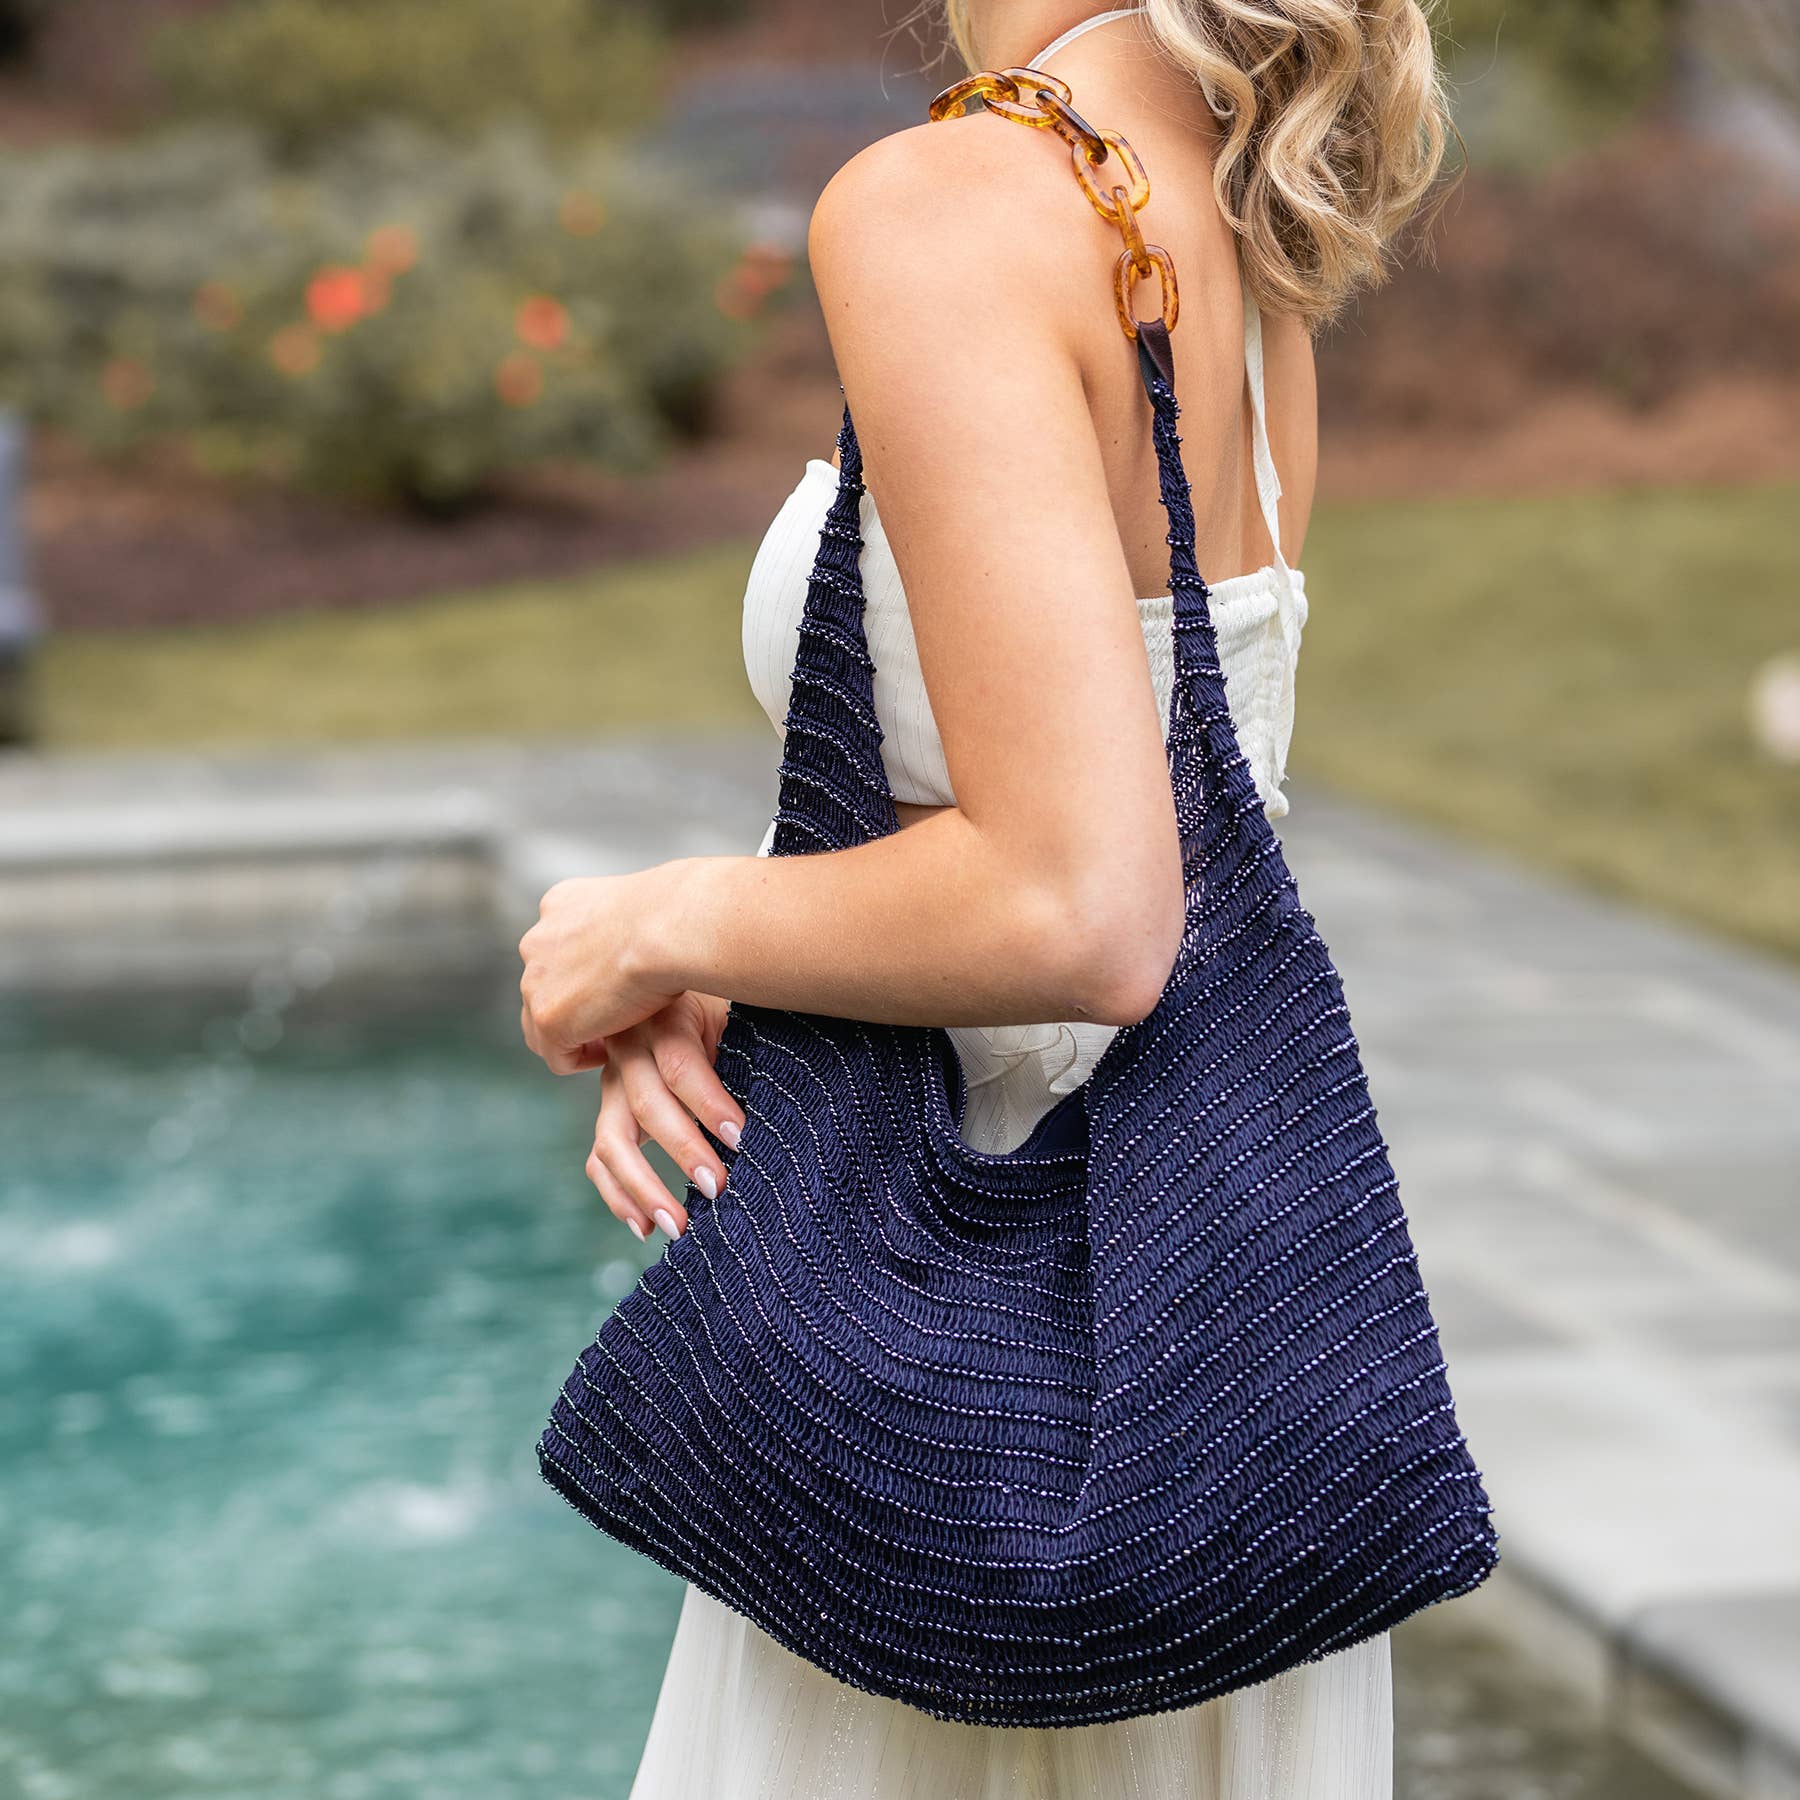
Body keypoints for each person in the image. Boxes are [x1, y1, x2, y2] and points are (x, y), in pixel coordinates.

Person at [518, 2, 1451, 1792]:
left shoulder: (956, 203)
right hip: (1202, 1337)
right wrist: (781, 949)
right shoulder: (1237, 207)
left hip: (957, 1371)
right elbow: (1128, 794)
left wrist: (654, 925)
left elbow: (1081, 907)